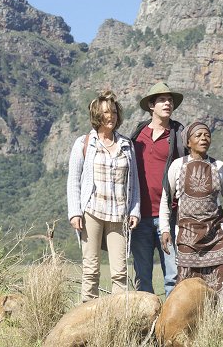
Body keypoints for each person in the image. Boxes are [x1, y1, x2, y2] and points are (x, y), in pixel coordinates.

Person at [160, 121, 223, 315]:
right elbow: (165, 200)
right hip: (187, 236)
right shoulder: (177, 166)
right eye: (198, 135)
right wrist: (165, 229)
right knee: (188, 286)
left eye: (207, 135)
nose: (204, 138)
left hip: (216, 235)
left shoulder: (219, 167)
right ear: (188, 142)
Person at [67, 90, 140, 302]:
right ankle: (87, 313)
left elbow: (133, 182)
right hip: (92, 212)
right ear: (97, 115)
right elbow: (74, 180)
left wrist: (134, 210)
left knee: (120, 271)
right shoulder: (84, 144)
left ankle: (119, 317)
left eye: (115, 112)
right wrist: (74, 213)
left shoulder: (127, 145)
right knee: (91, 269)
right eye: (107, 112)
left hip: (119, 214)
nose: (112, 116)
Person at [130, 82, 186, 296]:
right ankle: (146, 325)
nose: (168, 103)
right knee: (142, 277)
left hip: (168, 218)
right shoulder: (137, 135)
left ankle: (171, 327)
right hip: (139, 217)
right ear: (151, 105)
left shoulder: (178, 136)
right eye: (162, 100)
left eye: (170, 100)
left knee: (173, 275)